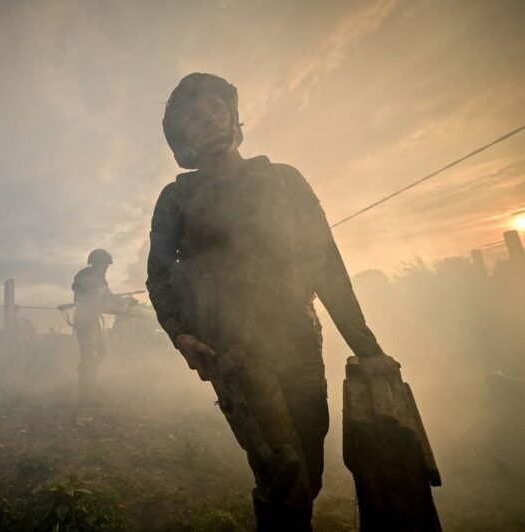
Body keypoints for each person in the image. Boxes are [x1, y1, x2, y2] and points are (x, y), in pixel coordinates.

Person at [146, 73, 399, 530]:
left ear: (233, 117)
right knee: (285, 476)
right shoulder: (176, 199)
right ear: (182, 139)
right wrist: (180, 332)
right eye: (192, 119)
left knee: (310, 468)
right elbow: (159, 275)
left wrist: (368, 348)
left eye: (214, 109)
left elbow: (327, 264)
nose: (207, 122)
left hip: (300, 342)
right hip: (235, 356)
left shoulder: (284, 182)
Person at [71, 249, 115, 401]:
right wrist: (95, 296)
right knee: (88, 356)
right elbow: (79, 292)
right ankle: (85, 393)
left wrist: (124, 302)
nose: (106, 269)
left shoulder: (101, 280)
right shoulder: (84, 275)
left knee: (101, 352)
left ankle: (90, 385)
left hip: (93, 319)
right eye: (105, 265)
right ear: (97, 262)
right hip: (84, 318)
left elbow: (109, 297)